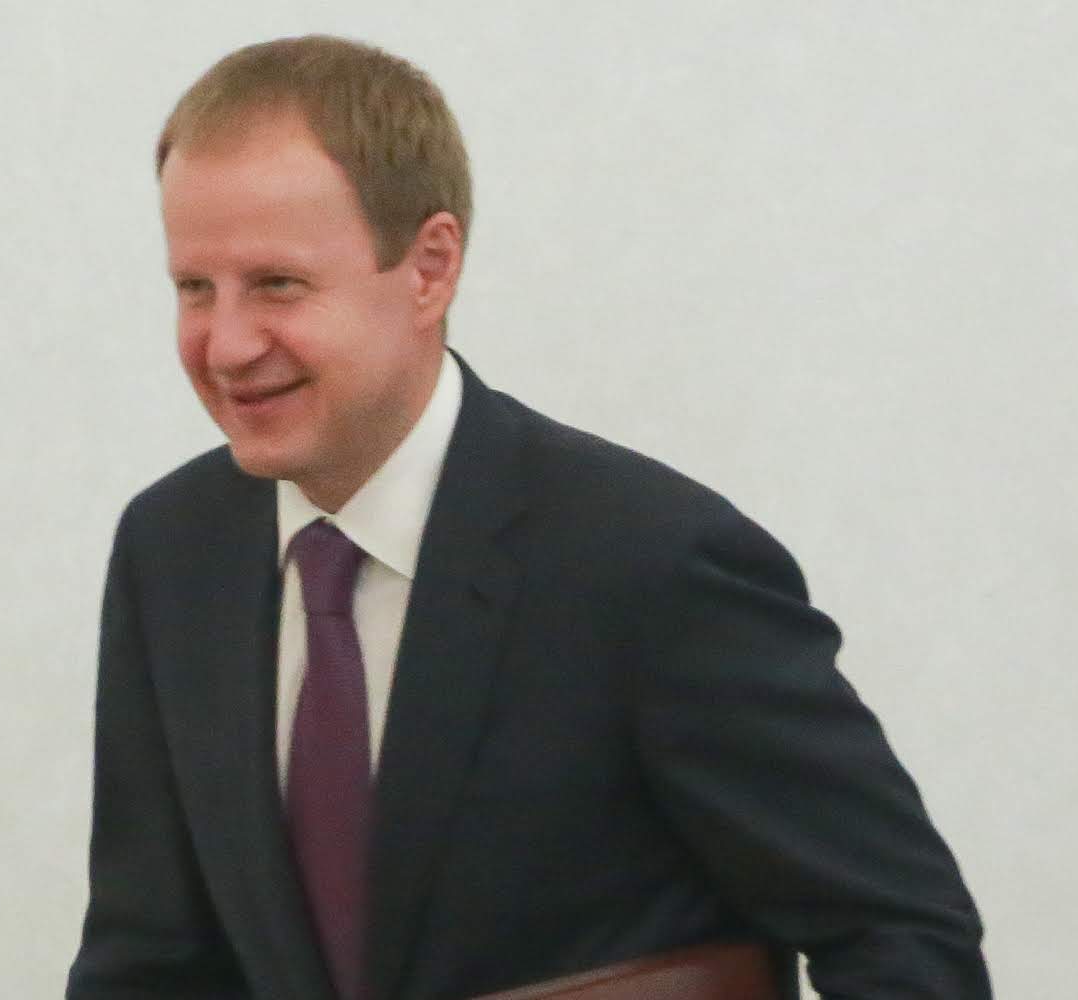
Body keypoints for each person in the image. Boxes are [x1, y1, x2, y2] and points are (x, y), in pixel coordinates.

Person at [66, 35, 989, 1000]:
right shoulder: (172, 552)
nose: (224, 345)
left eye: (277, 285)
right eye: (194, 289)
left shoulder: (648, 564)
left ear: (429, 268)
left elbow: (903, 938)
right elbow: (147, 963)